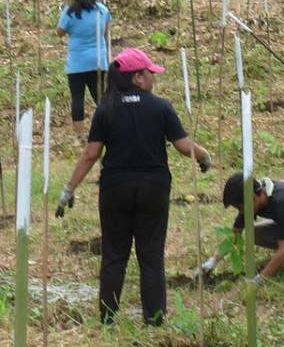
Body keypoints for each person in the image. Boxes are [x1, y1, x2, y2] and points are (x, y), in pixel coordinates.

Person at [55, 48, 212, 326]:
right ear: (137, 78)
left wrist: (69, 189)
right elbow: (182, 146)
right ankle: (154, 319)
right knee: (151, 256)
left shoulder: (106, 110)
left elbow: (91, 154)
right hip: (154, 189)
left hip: (115, 189)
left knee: (114, 254)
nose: (154, 77)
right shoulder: (161, 107)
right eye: (150, 73)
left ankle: (107, 319)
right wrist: (203, 155)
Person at [56, 0, 111, 138]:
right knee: (101, 97)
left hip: (77, 63)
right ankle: (109, 128)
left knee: (77, 98)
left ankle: (79, 135)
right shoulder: (102, 10)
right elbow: (106, 32)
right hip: (98, 61)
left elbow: (59, 32)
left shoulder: (70, 12)